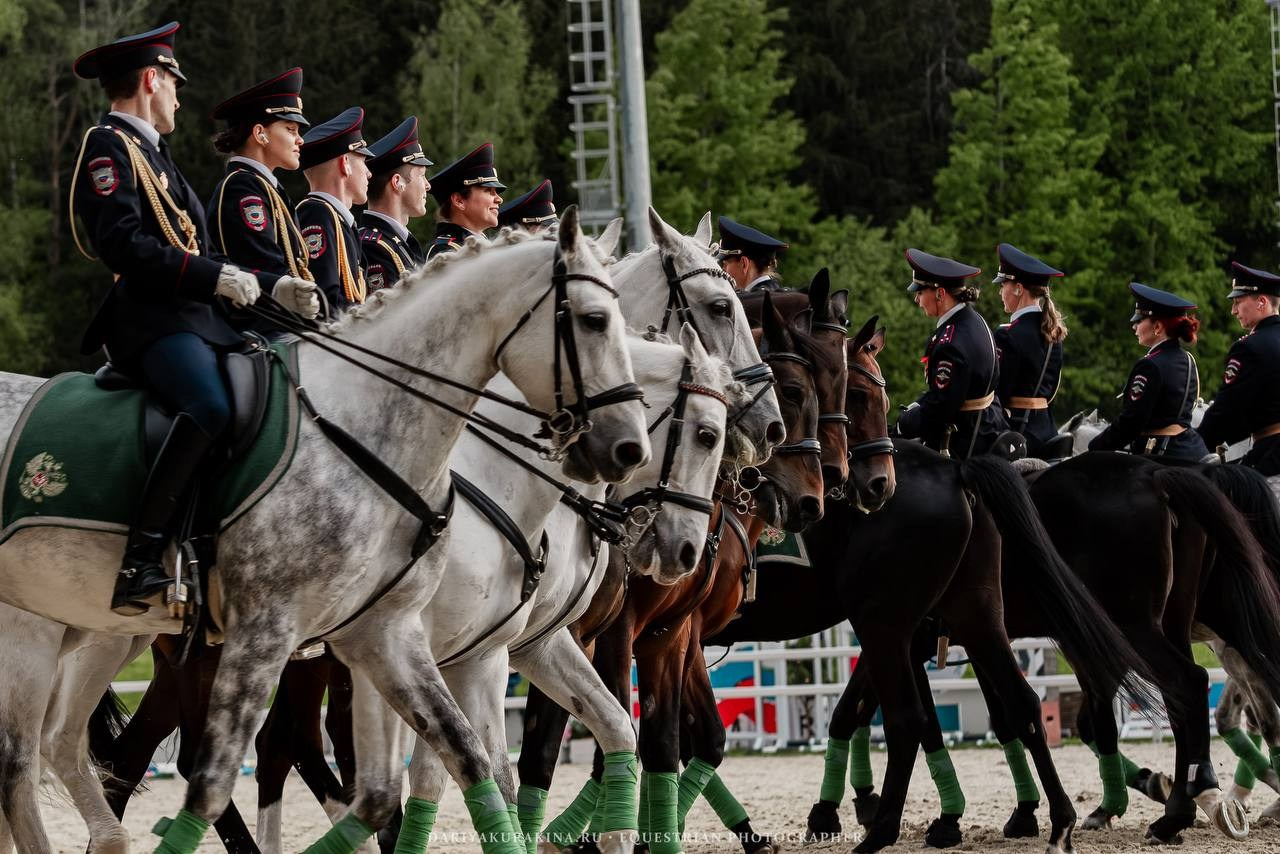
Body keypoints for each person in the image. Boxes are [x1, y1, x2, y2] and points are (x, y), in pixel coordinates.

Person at [70, 22, 268, 614]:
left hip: (194, 318)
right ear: (151, 79)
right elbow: (124, 243)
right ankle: (140, 556)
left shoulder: (156, 154)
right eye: (174, 83)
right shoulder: (108, 147)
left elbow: (194, 244)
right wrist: (214, 277)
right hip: (148, 321)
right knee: (208, 405)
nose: (181, 98)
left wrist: (257, 286)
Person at [207, 67, 319, 324]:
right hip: (263, 327)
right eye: (291, 129)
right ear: (260, 134)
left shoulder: (264, 187)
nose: (300, 140)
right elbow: (268, 269)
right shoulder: (243, 187)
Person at [895, 248, 1008, 459]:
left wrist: (904, 423)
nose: (917, 300)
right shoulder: (974, 320)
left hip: (964, 442)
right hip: (989, 424)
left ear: (940, 293)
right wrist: (919, 404)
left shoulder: (951, 342)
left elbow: (941, 408)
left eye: (920, 292)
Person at [1089, 282, 1208, 461]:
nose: (1134, 327)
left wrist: (1095, 446)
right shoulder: (1188, 359)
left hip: (1159, 454)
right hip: (1191, 449)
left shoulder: (1150, 365)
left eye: (1139, 321)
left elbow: (1131, 422)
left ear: (1158, 327)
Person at [1196, 262, 1280, 473]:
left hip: (1272, 457)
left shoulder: (1250, 348)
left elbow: (1226, 412)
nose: (1233, 311)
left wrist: (1191, 447)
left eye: (1238, 302)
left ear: (1261, 302)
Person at [991, 243, 1067, 457]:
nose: (1000, 291)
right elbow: (1050, 392)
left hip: (1017, 434)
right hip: (1048, 430)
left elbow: (998, 393)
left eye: (1003, 284)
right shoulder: (1053, 333)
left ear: (1018, 288)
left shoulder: (1007, 335)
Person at [296, 107, 373, 312]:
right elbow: (326, 300)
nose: (369, 173)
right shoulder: (317, 214)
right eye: (363, 162)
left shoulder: (340, 220)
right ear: (345, 164)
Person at [358, 116, 433, 292]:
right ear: (398, 182)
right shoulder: (375, 246)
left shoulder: (397, 242)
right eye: (421, 176)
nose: (428, 185)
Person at [425, 142, 505, 261]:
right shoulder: (446, 252)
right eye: (488, 191)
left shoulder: (481, 247)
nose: (499, 199)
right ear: (459, 201)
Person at [716, 216, 787, 291]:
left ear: (744, 264)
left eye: (726, 264)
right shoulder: (776, 293)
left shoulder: (747, 301)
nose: (723, 269)